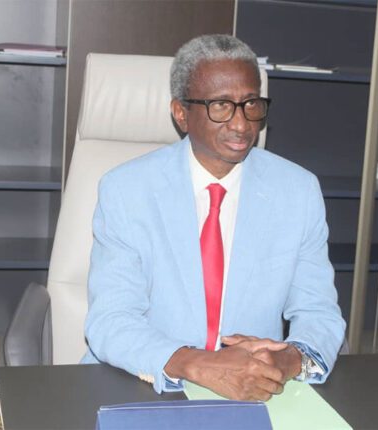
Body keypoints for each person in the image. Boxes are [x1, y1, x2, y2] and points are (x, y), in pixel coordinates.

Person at [81, 34, 345, 401]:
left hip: (257, 387)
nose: (241, 124)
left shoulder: (298, 191)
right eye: (221, 106)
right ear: (181, 113)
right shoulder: (126, 190)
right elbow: (110, 320)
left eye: (251, 104)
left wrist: (288, 359)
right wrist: (197, 364)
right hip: (142, 381)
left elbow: (319, 312)